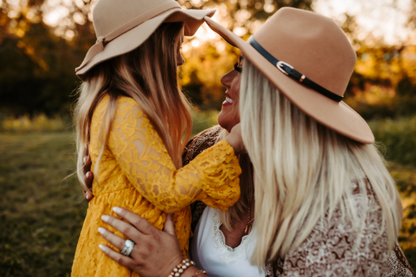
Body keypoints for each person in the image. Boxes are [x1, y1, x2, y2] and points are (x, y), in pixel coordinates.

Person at [85, 7, 415, 277]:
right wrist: (110, 168)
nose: (224, 79)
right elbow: (158, 186)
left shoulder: (347, 207)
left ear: (275, 96)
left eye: (241, 69)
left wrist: (175, 271)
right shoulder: (209, 148)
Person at [71, 0, 247, 276]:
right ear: (150, 51)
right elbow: (169, 193)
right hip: (126, 265)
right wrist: (230, 144)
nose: (181, 60)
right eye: (176, 48)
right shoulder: (123, 110)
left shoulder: (125, 109)